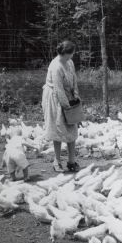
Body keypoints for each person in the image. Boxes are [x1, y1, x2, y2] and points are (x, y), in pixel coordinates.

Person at [42, 40, 81, 173]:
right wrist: (67, 106)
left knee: (72, 126)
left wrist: (75, 96)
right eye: (71, 54)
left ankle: (71, 161)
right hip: (55, 98)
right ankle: (57, 161)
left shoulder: (69, 62)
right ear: (64, 53)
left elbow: (74, 79)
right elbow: (58, 89)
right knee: (58, 129)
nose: (72, 56)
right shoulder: (56, 66)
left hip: (68, 94)